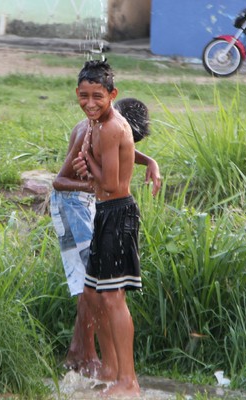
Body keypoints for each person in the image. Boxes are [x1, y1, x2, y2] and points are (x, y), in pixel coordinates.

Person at [50, 97, 160, 378]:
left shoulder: (108, 127)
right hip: (72, 203)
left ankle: (80, 351)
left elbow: (114, 148)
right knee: (91, 284)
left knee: (92, 283)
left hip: (92, 204)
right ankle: (86, 354)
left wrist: (149, 160)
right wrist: (95, 183)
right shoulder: (89, 130)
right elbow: (60, 181)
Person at [71, 59, 142, 397]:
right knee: (93, 293)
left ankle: (129, 381)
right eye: (84, 96)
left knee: (113, 297)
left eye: (97, 96)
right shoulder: (95, 124)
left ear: (112, 94)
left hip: (118, 212)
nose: (90, 103)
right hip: (104, 213)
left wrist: (89, 165)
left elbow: (112, 184)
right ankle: (112, 369)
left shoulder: (113, 126)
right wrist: (91, 166)